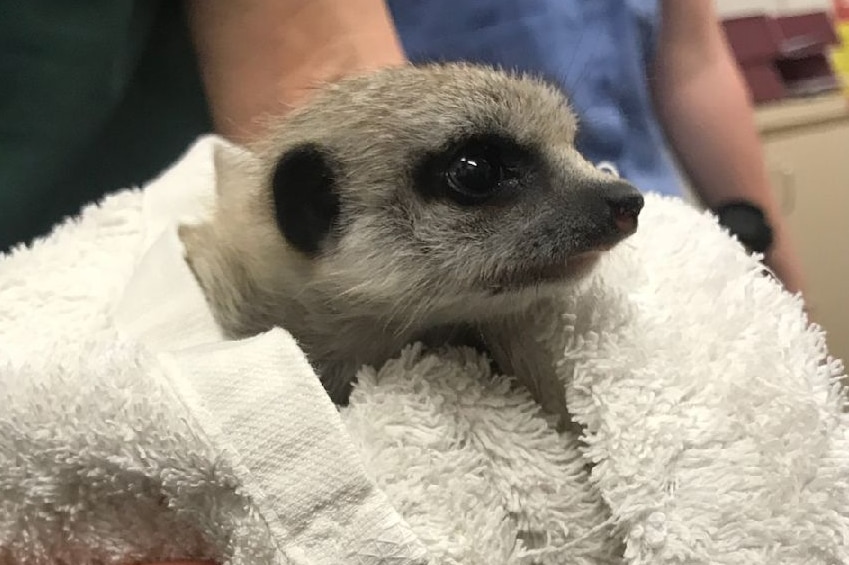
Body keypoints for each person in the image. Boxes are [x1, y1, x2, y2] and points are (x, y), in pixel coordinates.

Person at [0, 0, 805, 296]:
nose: (611, 196)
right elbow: (336, 109)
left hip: (624, 270)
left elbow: (692, 61)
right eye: (480, 176)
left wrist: (773, 271)